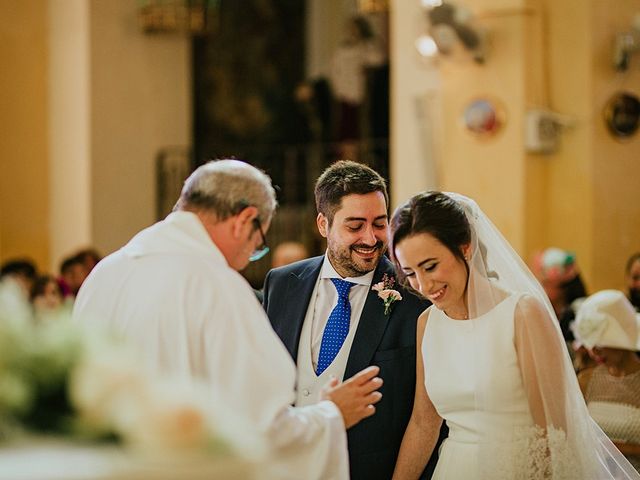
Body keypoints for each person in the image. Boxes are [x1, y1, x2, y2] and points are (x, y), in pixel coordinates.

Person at [73, 159, 383, 480]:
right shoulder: (216, 285)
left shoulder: (106, 273)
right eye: (258, 242)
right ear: (245, 221)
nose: (250, 255)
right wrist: (331, 415)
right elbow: (260, 429)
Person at [389, 191, 639, 479]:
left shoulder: (522, 314)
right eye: (410, 272)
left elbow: (552, 431)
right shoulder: (426, 324)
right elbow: (423, 422)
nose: (422, 284)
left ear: (465, 247)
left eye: (430, 266)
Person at [262, 161, 442, 479]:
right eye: (355, 226)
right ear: (323, 224)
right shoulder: (282, 282)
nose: (371, 238)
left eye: (379, 223)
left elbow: (427, 417)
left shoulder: (415, 294)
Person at [574, 289, 640, 471]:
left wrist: (618, 449)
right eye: (590, 343)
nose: (594, 350)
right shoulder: (586, 380)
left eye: (601, 342)